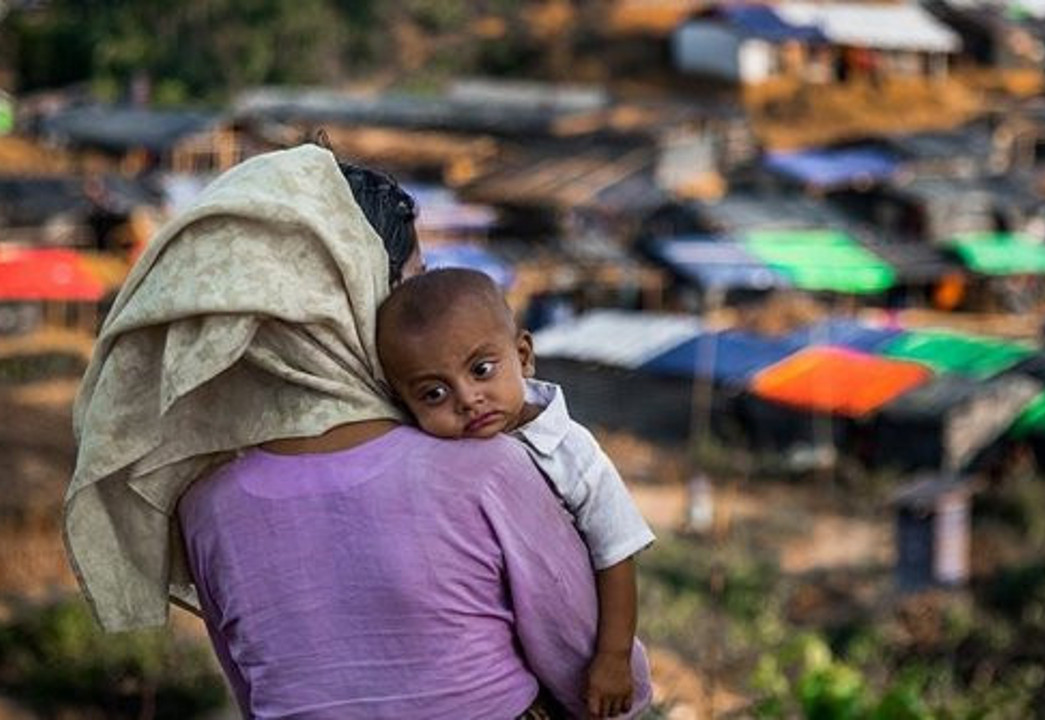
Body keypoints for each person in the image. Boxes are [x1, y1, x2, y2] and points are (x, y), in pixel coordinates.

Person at [64, 144, 651, 718]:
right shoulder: (485, 466)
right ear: (350, 294)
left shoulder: (206, 508)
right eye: (409, 284)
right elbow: (595, 679)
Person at [377, 269, 656, 719]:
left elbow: (617, 554)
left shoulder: (572, 451)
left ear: (523, 355)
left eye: (481, 370)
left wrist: (613, 657)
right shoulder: (429, 462)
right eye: (433, 392)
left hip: (583, 667)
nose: (467, 399)